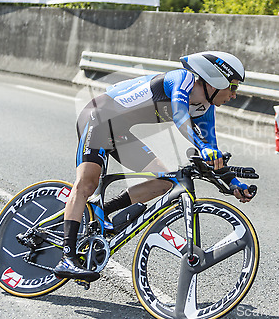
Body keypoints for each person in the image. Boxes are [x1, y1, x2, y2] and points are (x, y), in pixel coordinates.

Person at [53, 51, 256, 282]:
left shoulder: (204, 109)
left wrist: (234, 184)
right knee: (87, 183)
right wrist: (202, 146)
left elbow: (212, 150)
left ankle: (101, 213)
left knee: (164, 182)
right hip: (99, 117)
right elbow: (180, 117)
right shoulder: (182, 80)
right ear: (215, 79)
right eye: (233, 87)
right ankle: (66, 257)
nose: (233, 95)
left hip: (118, 132)